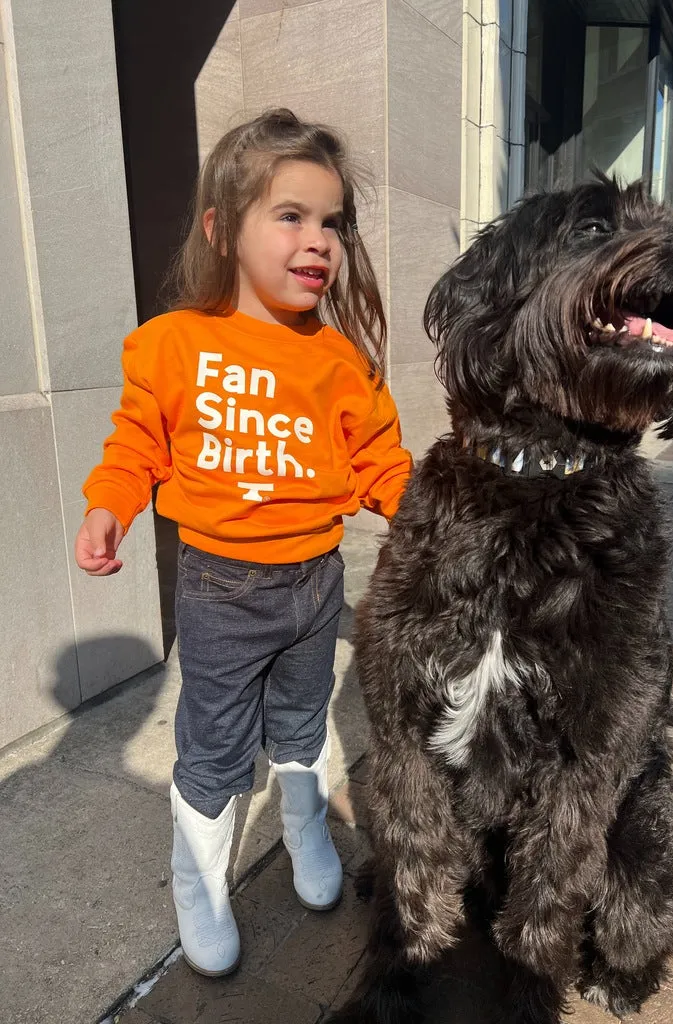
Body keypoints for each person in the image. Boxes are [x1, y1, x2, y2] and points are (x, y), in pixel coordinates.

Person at [74, 109, 412, 978]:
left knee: (301, 723)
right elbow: (136, 445)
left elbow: (382, 462)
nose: (318, 241)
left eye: (332, 222)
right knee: (217, 744)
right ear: (223, 228)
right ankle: (199, 877)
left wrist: (432, 518)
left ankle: (302, 826)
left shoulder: (343, 361)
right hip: (222, 587)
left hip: (314, 585)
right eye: (291, 215)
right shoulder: (175, 344)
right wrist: (110, 506)